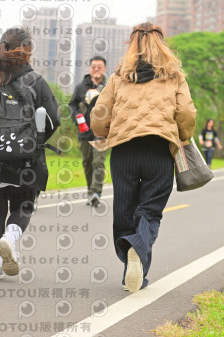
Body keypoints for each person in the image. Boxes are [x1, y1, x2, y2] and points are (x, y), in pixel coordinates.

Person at [90, 22, 197, 293]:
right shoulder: (174, 77)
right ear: (162, 45)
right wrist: (183, 134)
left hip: (124, 151)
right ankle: (138, 251)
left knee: (124, 210)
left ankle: (131, 266)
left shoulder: (119, 76)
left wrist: (103, 132)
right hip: (158, 151)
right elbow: (186, 113)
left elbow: (100, 114)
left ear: (132, 45)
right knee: (149, 210)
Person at [0, 26, 60, 282]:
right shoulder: (36, 81)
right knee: (23, 205)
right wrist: (34, 142)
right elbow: (53, 119)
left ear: (1, 48)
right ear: (27, 51)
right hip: (26, 160)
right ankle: (9, 238)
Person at [69, 56, 108, 207]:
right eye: (94, 66)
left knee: (98, 161)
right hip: (84, 131)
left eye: (99, 67)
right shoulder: (81, 87)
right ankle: (90, 192)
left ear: (104, 69)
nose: (96, 69)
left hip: (102, 132)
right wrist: (77, 118)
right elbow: (72, 106)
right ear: (90, 68)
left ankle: (96, 192)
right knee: (87, 162)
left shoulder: (109, 87)